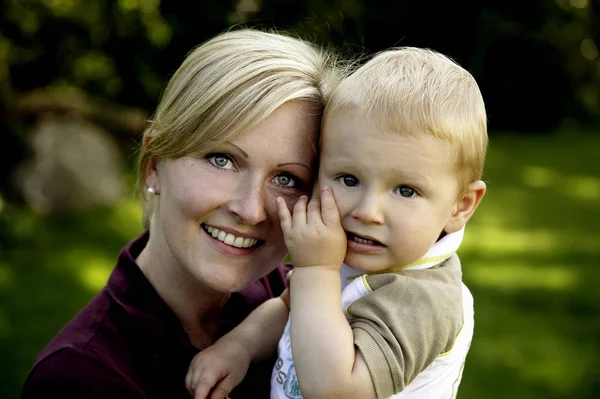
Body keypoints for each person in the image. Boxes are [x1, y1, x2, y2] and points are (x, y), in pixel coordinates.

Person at [21, 28, 346, 398]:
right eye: (221, 160)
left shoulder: (317, 306)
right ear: (155, 164)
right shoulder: (79, 379)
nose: (251, 209)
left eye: (287, 178)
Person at [186, 46, 488, 399]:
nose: (367, 211)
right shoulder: (351, 256)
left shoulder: (422, 299)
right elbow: (288, 307)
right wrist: (239, 347)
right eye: (348, 179)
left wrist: (317, 270)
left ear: (460, 206)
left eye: (405, 190)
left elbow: (336, 389)